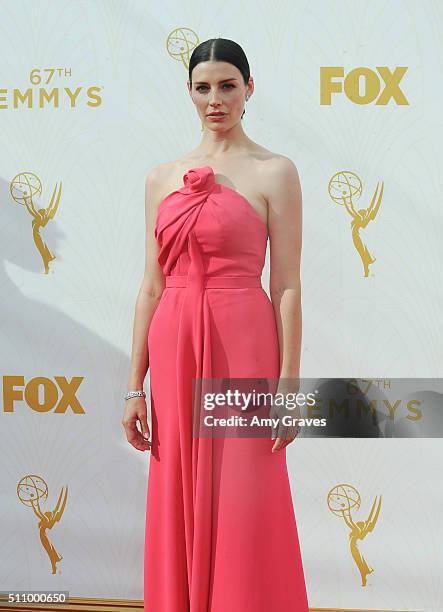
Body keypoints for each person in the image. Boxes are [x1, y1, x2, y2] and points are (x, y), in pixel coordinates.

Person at [122, 37, 309, 612]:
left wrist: (290, 386)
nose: (215, 100)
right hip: (174, 342)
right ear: (189, 93)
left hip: (244, 342)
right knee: (177, 487)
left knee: (246, 492)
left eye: (227, 86)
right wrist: (135, 386)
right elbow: (151, 286)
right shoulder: (161, 177)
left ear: (249, 89)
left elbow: (286, 286)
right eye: (203, 88)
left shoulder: (275, 171)